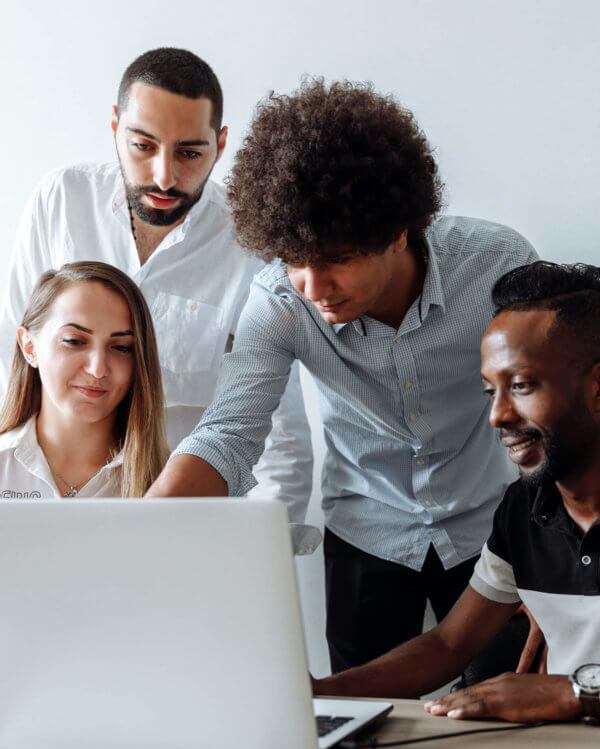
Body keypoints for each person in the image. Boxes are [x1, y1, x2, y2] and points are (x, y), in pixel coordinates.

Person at [147, 78, 541, 673]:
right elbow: (228, 434)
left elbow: (558, 410)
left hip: (494, 529)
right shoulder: (280, 302)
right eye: (294, 260)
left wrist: (561, 562)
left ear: (396, 230)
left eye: (336, 259)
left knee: (500, 732)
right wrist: (138, 537)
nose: (313, 287)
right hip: (366, 537)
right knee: (364, 730)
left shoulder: (497, 265)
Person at [0, 47, 313, 532]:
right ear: (114, 126)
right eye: (143, 146)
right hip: (43, 503)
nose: (165, 177)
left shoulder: (249, 241)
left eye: (189, 153)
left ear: (221, 143)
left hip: (183, 523)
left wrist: (263, 549)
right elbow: (11, 355)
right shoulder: (61, 200)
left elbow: (276, 423)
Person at [311, 261, 600, 724]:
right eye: (491, 392)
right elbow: (449, 644)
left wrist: (576, 692)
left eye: (522, 386)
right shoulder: (522, 510)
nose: (498, 416)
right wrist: (317, 693)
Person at [0, 261, 168, 498]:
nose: (97, 369)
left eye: (120, 347)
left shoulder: (168, 484)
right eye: (74, 341)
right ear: (29, 347)